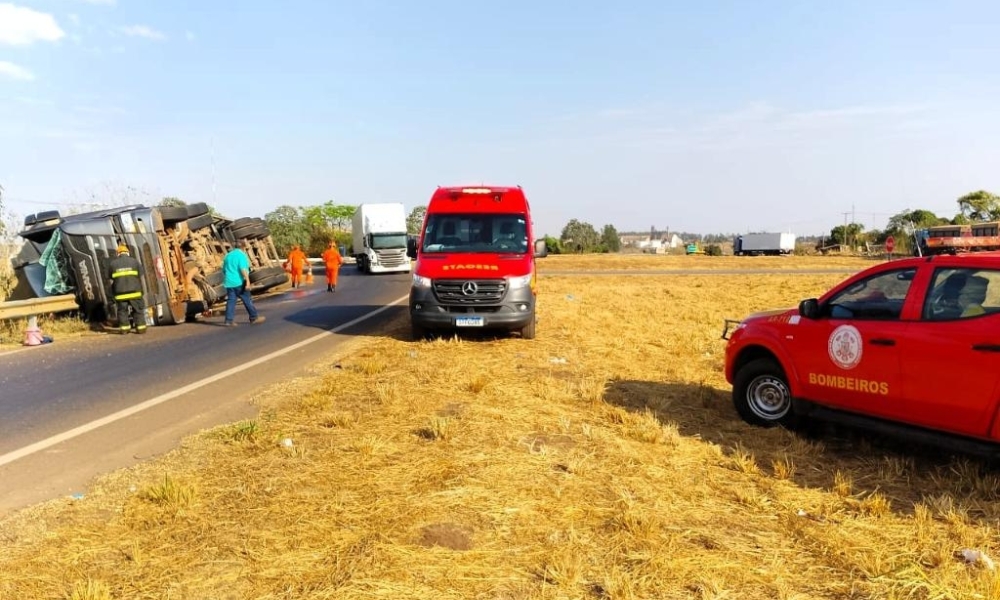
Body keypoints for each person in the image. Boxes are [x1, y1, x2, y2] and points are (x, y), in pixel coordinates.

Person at [222, 241, 266, 326]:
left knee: (231, 301)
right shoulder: (241, 255)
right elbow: (243, 269)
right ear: (243, 248)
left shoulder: (227, 255)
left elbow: (224, 270)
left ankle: (228, 320)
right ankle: (254, 317)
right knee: (247, 299)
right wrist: (248, 281)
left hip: (229, 283)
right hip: (239, 282)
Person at [107, 244, 147, 334]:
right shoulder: (134, 262)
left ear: (118, 254)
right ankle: (141, 329)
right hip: (135, 293)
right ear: (127, 253)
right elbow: (140, 274)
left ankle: (125, 330)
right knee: (138, 310)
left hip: (120, 294)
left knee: (122, 311)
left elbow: (110, 277)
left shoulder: (113, 264)